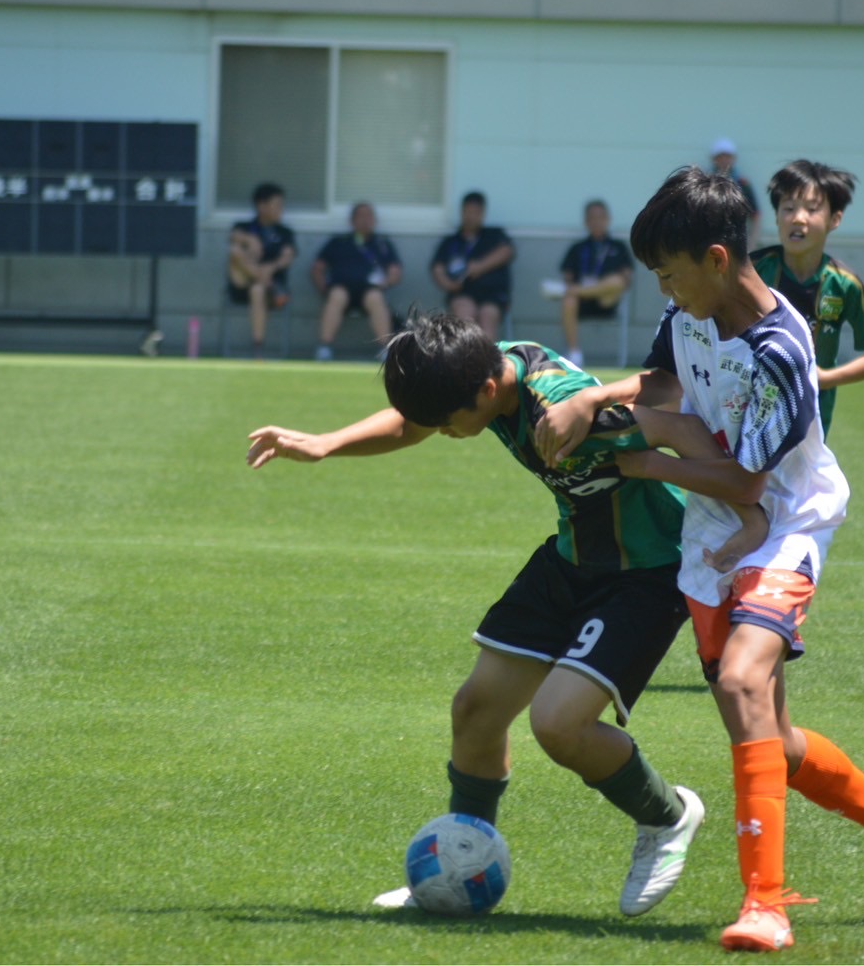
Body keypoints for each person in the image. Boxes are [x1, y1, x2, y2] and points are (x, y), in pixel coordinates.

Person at [533, 168, 864, 952]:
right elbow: (661, 383)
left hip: (783, 524)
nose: (663, 290)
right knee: (770, 740)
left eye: (668, 275)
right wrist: (592, 398)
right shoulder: (688, 308)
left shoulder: (780, 349)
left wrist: (638, 462)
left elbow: (748, 482)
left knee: (741, 679)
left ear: (716, 259)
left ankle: (764, 905)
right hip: (712, 530)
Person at [247, 312, 775, 919]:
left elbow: (681, 427)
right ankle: (460, 862)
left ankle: (667, 816)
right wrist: (324, 444)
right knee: (477, 710)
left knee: (559, 726)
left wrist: (749, 516)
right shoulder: (484, 367)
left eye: (449, 421)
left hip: (646, 573)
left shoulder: (568, 412)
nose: (443, 432)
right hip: (572, 558)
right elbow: (412, 422)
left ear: (487, 390)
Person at [753, 160, 864, 436]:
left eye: (812, 209)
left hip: (812, 416)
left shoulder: (843, 284)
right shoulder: (753, 271)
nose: (798, 218)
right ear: (777, 217)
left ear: (835, 219)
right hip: (750, 402)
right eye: (788, 208)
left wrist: (826, 378)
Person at [539, 199, 635, 368]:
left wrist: (597, 287)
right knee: (569, 299)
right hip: (581, 303)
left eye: (600, 217)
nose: (597, 221)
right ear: (586, 221)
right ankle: (574, 354)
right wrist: (579, 289)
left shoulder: (618, 247)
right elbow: (567, 277)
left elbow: (626, 279)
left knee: (616, 281)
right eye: (592, 218)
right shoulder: (577, 248)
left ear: (608, 219)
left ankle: (581, 291)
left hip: (607, 301)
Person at [309, 201, 402, 361]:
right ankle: (324, 348)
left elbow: (395, 270)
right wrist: (324, 288)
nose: (365, 220)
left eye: (369, 216)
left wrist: (385, 283)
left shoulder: (382, 244)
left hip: (370, 290)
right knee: (336, 296)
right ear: (352, 220)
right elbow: (317, 268)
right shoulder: (338, 242)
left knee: (376, 297)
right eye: (361, 216)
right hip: (341, 288)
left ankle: (385, 349)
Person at [430, 192, 514, 342]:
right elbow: (438, 268)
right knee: (465, 316)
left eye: (475, 212)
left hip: (493, 295)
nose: (471, 217)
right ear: (461, 212)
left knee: (487, 316)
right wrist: (448, 284)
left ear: (483, 214)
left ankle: (488, 355)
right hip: (462, 293)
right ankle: (466, 354)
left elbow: (506, 251)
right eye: (468, 212)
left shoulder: (494, 235)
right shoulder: (451, 242)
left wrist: (479, 267)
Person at [227, 182, 297, 359]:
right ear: (261, 206)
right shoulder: (245, 227)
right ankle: (260, 277)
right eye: (277, 205)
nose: (281, 209)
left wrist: (271, 267)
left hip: (273, 291)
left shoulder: (285, 232)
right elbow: (233, 236)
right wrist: (250, 239)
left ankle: (257, 349)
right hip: (242, 284)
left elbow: (288, 255)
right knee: (235, 251)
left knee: (258, 289)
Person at [711, 138, 761, 250]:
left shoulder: (743, 183)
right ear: (714, 159)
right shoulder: (707, 182)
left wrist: (752, 244)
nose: (724, 160)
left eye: (727, 157)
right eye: (720, 157)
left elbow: (756, 215)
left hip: (737, 239)